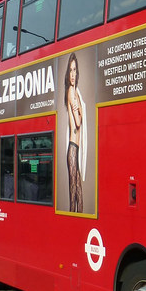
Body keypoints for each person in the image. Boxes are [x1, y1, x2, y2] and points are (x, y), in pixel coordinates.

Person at [65, 52, 86, 212]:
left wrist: (79, 109)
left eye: (75, 70)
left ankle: (79, 225)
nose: (73, 74)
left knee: (79, 190)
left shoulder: (76, 92)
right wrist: (79, 111)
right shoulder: (71, 93)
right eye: (71, 70)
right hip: (72, 149)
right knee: (74, 192)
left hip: (76, 150)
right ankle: (70, 224)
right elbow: (78, 123)